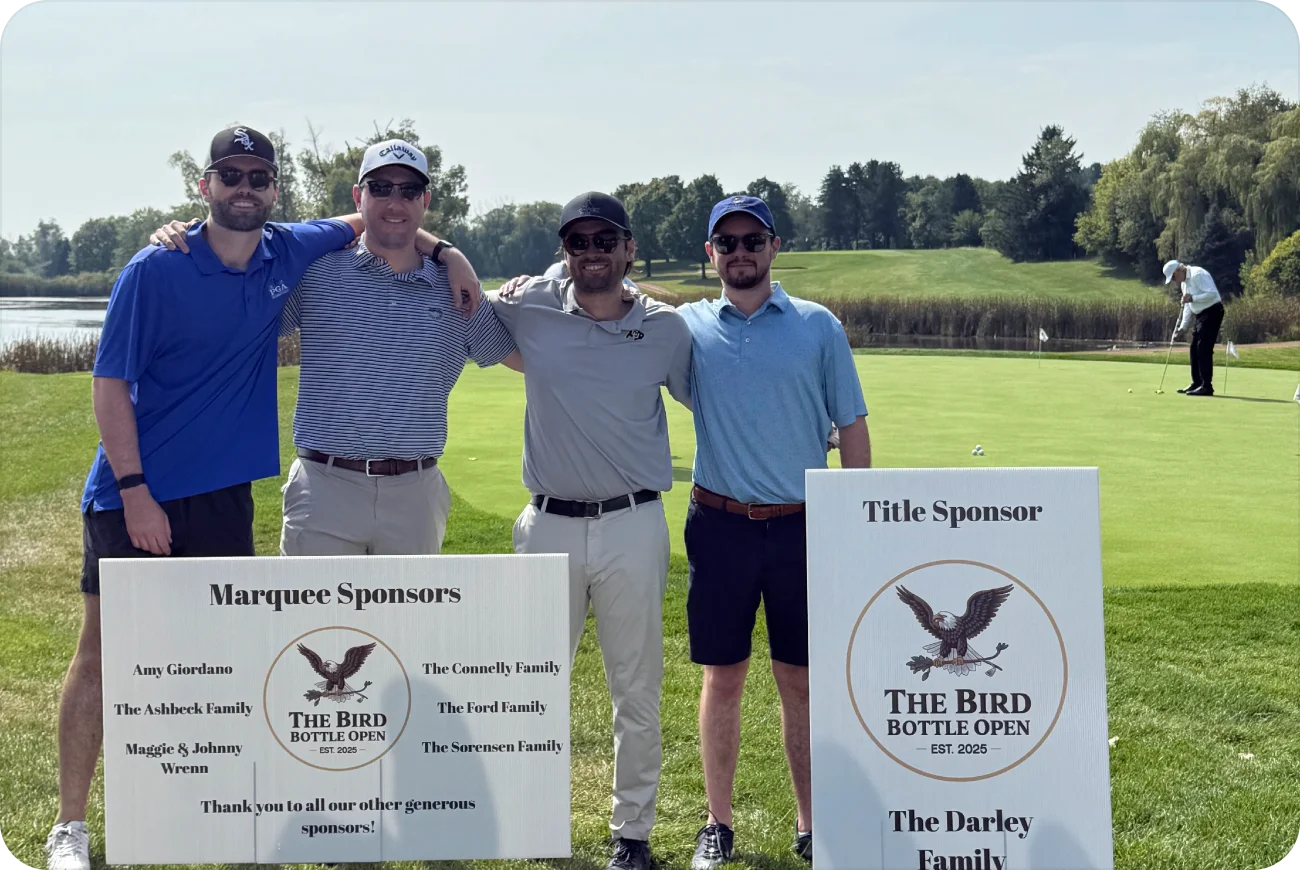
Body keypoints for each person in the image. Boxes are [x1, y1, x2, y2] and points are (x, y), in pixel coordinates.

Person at [45, 125, 477, 870]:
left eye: (258, 177)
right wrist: (136, 490)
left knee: (222, 662)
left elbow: (380, 217)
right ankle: (71, 828)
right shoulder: (157, 266)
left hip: (224, 498)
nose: (245, 188)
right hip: (134, 495)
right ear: (206, 185)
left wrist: (448, 251)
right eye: (230, 175)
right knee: (103, 656)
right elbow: (109, 383)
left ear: (274, 191)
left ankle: (217, 809)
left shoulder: (288, 251)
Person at [486, 191, 693, 870]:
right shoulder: (531, 305)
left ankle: (631, 834)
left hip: (632, 523)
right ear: (564, 251)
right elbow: (472, 312)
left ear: (629, 248)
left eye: (606, 241)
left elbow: (718, 392)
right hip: (546, 523)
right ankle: (529, 820)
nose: (592, 253)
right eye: (579, 242)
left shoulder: (666, 328)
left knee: (635, 688)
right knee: (533, 679)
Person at [677, 195, 870, 870]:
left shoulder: (818, 327)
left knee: (803, 681)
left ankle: (814, 826)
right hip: (719, 525)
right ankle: (717, 826)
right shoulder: (688, 327)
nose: (740, 252)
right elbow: (612, 314)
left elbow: (851, 426)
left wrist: (854, 517)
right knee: (722, 679)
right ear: (711, 254)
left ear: (774, 245)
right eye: (725, 242)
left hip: (802, 528)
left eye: (751, 239)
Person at [1165, 259, 1225, 396]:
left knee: (1203, 348)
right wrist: (1182, 328)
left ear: (1179, 270)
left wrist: (1193, 298)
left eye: (1173, 277)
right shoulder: (1184, 284)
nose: (1174, 281)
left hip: (1213, 312)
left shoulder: (1198, 274)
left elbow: (1213, 294)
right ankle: (1197, 382)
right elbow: (1187, 306)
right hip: (1200, 315)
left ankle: (1207, 386)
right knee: (1194, 349)